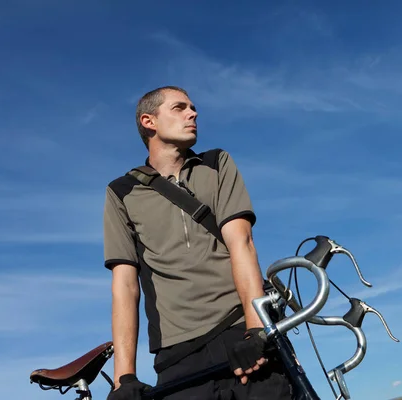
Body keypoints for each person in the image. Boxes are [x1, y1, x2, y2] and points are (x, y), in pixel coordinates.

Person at [103, 86, 293, 400]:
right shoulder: (121, 191)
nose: (193, 114)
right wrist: (124, 378)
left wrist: (256, 329)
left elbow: (241, 243)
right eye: (180, 108)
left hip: (240, 333)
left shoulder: (217, 164)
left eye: (193, 108)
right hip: (178, 353)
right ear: (149, 121)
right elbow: (124, 284)